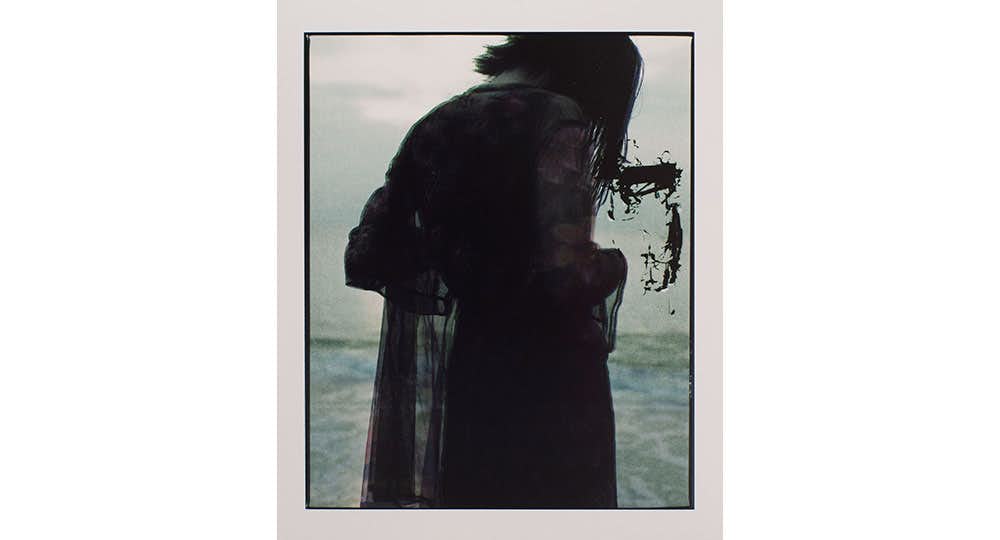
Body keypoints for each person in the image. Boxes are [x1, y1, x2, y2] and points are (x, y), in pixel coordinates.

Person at [344, 34, 643, 508]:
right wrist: (614, 266)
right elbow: (564, 277)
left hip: (474, 372)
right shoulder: (558, 118)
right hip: (553, 381)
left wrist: (459, 251)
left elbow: (368, 256)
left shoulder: (436, 125)